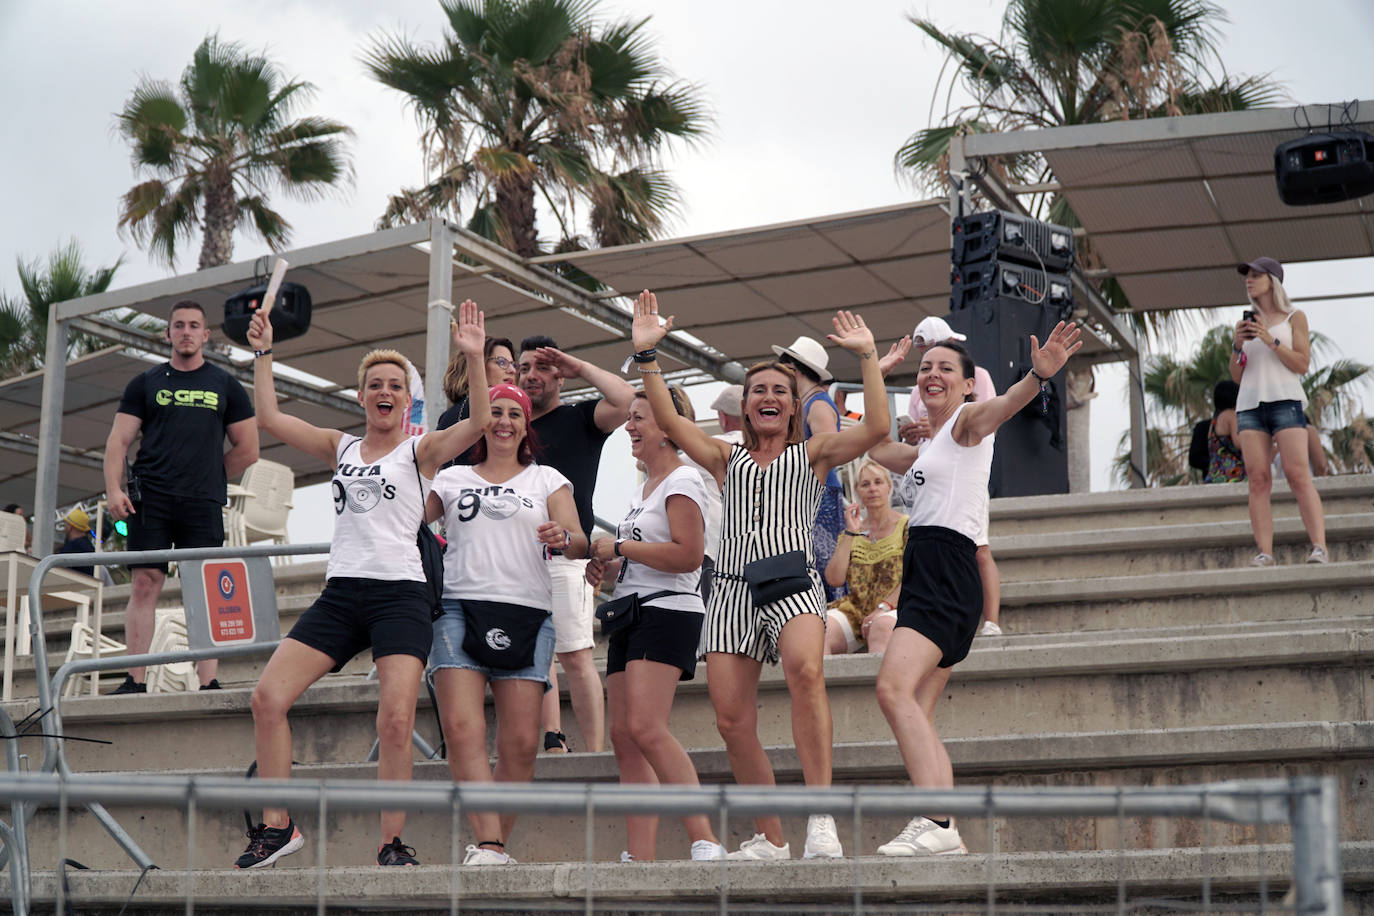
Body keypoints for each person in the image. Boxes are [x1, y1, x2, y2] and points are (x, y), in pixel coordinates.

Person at [631, 290, 891, 860]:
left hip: (794, 580)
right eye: (759, 392)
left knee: (804, 670)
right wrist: (648, 357)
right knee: (730, 718)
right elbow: (672, 420)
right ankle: (771, 838)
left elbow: (875, 428)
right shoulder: (726, 457)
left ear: (793, 406)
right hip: (730, 588)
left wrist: (869, 357)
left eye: (780, 391)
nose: (769, 397)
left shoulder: (815, 451)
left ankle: (821, 819)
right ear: (746, 407)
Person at [234, 300, 492, 869]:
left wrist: (474, 357)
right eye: (374, 384)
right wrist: (263, 352)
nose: (384, 391)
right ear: (360, 397)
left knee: (396, 718)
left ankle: (390, 842)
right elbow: (272, 419)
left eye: (395, 385)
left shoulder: (418, 451)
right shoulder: (341, 446)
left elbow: (476, 423)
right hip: (342, 594)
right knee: (267, 697)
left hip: (399, 594)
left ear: (407, 399)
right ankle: (278, 828)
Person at [868, 324, 1081, 856]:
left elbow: (1004, 406)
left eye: (946, 368)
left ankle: (936, 822)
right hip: (926, 570)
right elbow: (872, 441)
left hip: (947, 569)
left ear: (968, 385)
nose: (932, 374)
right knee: (915, 701)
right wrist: (878, 371)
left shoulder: (966, 424)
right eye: (925, 368)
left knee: (892, 690)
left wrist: (1038, 375)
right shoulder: (929, 445)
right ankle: (945, 827)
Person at [426, 380, 585, 866]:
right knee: (461, 727)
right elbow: (404, 520)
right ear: (479, 421)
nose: (503, 421)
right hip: (457, 607)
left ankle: (492, 845)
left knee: (519, 742)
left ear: (525, 426)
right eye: (493, 412)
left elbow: (578, 540)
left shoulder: (548, 480)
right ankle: (491, 844)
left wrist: (564, 535)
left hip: (528, 612)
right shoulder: (450, 479)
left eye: (514, 414)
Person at [584, 388, 726, 862]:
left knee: (645, 727)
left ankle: (704, 838)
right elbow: (642, 558)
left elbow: (688, 554)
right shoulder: (645, 487)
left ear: (668, 426)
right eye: (629, 418)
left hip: (667, 611)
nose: (629, 426)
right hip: (631, 609)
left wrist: (619, 549)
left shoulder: (683, 479)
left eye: (640, 418)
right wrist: (605, 566)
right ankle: (638, 854)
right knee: (624, 736)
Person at [103, 300, 258, 693]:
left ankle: (208, 681)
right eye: (179, 325)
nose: (186, 332)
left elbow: (249, 448)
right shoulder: (146, 382)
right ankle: (134, 679)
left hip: (202, 503)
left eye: (194, 326)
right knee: (144, 583)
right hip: (150, 498)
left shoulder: (225, 385)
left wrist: (209, 472)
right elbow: (118, 441)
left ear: (205, 335)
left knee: (205, 590)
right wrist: (113, 489)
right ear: (168, 333)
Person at [517, 335, 634, 755]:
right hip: (518, 560)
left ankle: (596, 751)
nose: (532, 375)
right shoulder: (510, 424)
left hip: (570, 558)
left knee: (576, 655)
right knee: (535, 655)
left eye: (543, 367)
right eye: (525, 367)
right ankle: (553, 739)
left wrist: (578, 365)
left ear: (561, 377)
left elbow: (625, 399)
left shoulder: (580, 417)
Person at [885, 316, 1004, 637]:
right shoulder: (919, 386)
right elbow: (898, 436)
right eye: (924, 358)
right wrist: (914, 432)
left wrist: (1039, 376)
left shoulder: (977, 376)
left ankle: (991, 620)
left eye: (939, 352)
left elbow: (990, 414)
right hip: (929, 470)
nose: (932, 370)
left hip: (962, 469)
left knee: (979, 547)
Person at [1230, 257, 1328, 566]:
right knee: (1258, 479)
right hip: (1249, 404)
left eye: (1256, 275)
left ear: (1272, 281)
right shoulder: (1247, 322)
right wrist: (1236, 345)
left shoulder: (1294, 317)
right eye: (1247, 275)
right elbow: (1236, 376)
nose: (1249, 280)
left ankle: (1319, 547)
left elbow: (1302, 364)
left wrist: (1269, 340)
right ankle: (1265, 552)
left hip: (1285, 400)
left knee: (1298, 474)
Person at [772, 337, 846, 602]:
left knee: (821, 564)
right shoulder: (807, 403)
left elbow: (828, 452)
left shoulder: (818, 405)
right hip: (808, 495)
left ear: (794, 369)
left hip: (819, 496)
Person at [823, 461, 905, 656]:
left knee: (881, 626)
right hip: (856, 610)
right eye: (865, 484)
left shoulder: (907, 526)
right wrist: (851, 533)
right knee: (819, 629)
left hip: (897, 606)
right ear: (857, 491)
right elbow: (834, 579)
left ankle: (877, 686)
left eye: (878, 482)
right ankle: (822, 687)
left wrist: (883, 607)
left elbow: (916, 576)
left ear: (889, 486)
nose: (872, 489)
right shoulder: (852, 531)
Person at [435, 330, 517, 463]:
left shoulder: (450, 414)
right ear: (476, 365)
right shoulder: (479, 408)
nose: (512, 370)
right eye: (502, 362)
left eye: (514, 364)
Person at [1205, 380, 1245, 484]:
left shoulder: (1214, 421)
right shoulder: (1231, 416)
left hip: (1215, 475)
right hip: (1232, 474)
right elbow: (1239, 442)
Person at [56, 507, 96, 577]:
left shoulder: (72, 547)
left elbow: (59, 572)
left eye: (66, 524)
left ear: (70, 527)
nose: (65, 528)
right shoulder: (89, 546)